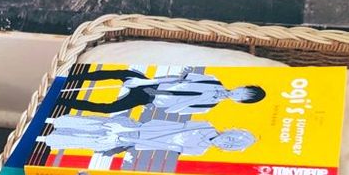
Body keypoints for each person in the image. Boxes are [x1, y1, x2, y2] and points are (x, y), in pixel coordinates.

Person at [39, 113, 256, 158]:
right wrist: (135, 130)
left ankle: (50, 140)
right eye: (231, 137)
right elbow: (171, 126)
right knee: (99, 124)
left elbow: (167, 148)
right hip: (143, 128)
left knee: (93, 141)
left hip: (139, 142)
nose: (227, 141)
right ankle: (55, 121)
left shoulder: (199, 151)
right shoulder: (205, 125)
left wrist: (133, 142)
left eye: (231, 145)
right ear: (231, 131)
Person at [63, 67, 265, 115]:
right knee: (124, 73)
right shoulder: (211, 79)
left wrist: (204, 97)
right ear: (240, 87)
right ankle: (73, 77)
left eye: (242, 97)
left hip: (150, 99)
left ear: (239, 102)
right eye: (242, 91)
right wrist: (143, 83)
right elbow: (176, 79)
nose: (237, 94)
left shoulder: (207, 107)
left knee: (108, 109)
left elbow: (172, 111)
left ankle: (66, 103)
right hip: (152, 84)